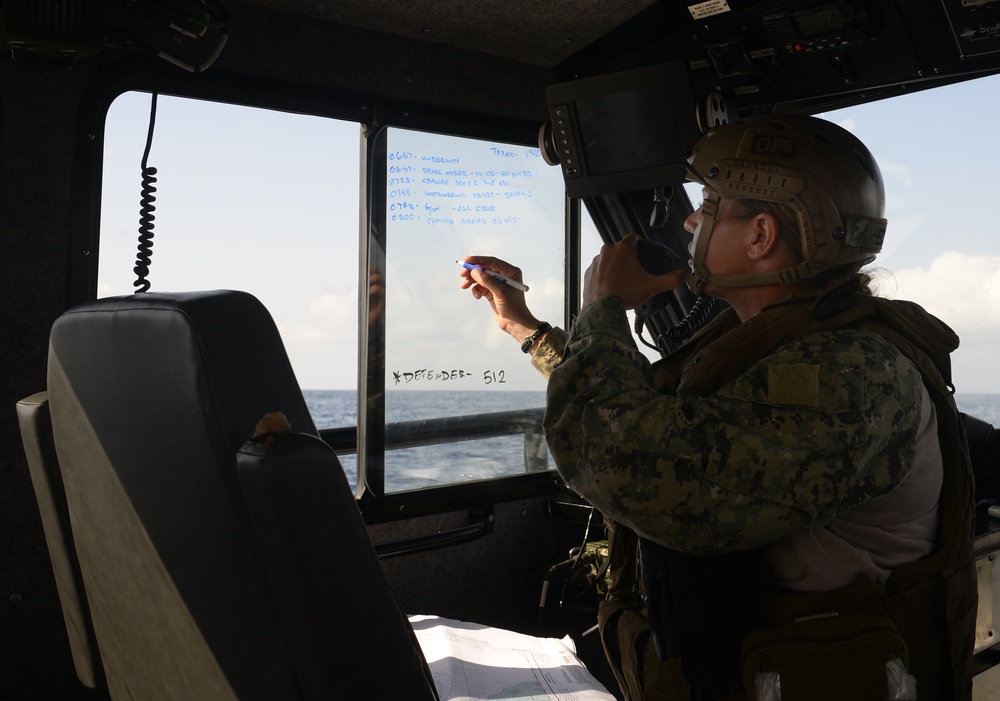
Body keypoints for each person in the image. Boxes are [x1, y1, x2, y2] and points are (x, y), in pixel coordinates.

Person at [459, 114, 976, 700]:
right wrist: (529, 331)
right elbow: (663, 412)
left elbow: (631, 462)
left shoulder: (852, 373)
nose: (689, 219)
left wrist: (603, 306)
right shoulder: (772, 339)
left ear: (760, 236)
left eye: (709, 204)